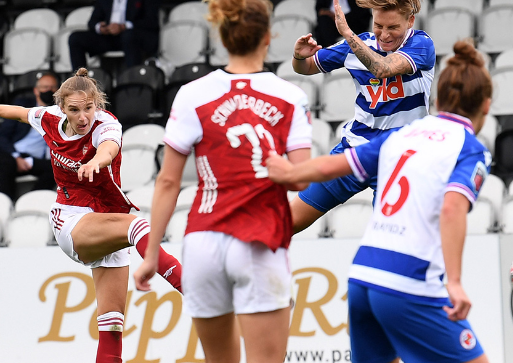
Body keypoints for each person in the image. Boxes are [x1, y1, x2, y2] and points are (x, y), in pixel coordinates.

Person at [266, 40, 491, 363]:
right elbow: (453, 207)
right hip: (409, 281)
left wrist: (292, 172)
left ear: (438, 99)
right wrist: (454, 282)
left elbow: (336, 163)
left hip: (363, 277)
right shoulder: (470, 149)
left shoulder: (400, 136)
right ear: (486, 105)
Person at [133, 0, 312, 362]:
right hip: (259, 242)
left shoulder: (191, 93)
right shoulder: (291, 96)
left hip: (202, 242)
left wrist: (152, 254)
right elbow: (299, 181)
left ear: (222, 37)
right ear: (268, 37)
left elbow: (168, 182)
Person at [0, 68, 182, 363]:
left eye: (89, 108)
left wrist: (96, 160)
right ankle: (195, 292)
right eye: (75, 110)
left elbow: (108, 149)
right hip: (71, 218)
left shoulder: (106, 124)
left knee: (111, 327)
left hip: (107, 221)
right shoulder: (50, 119)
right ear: (62, 109)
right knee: (137, 226)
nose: (83, 117)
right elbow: (20, 113)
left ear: (97, 104)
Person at [290, 0, 435, 235]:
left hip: (399, 159)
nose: (384, 35)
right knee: (289, 221)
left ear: (410, 21)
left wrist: (347, 34)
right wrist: (298, 56)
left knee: (389, 239)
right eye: (379, 25)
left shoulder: (421, 44)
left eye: (393, 28)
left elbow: (383, 68)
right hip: (356, 150)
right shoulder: (359, 44)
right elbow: (305, 67)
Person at [0, 73, 59, 201]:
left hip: (36, 159)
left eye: (53, 88)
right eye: (45, 87)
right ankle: (7, 203)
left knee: (57, 169)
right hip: (13, 154)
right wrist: (16, 157)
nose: (49, 91)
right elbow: (2, 137)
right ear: (36, 91)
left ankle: (30, 202)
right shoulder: (22, 107)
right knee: (6, 163)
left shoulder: (61, 112)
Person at [68, 0, 160, 71]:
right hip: (108, 38)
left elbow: (151, 22)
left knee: (129, 36)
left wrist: (124, 26)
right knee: (75, 38)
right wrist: (100, 27)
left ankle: (133, 80)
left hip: (133, 38)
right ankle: (80, 82)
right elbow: (92, 22)